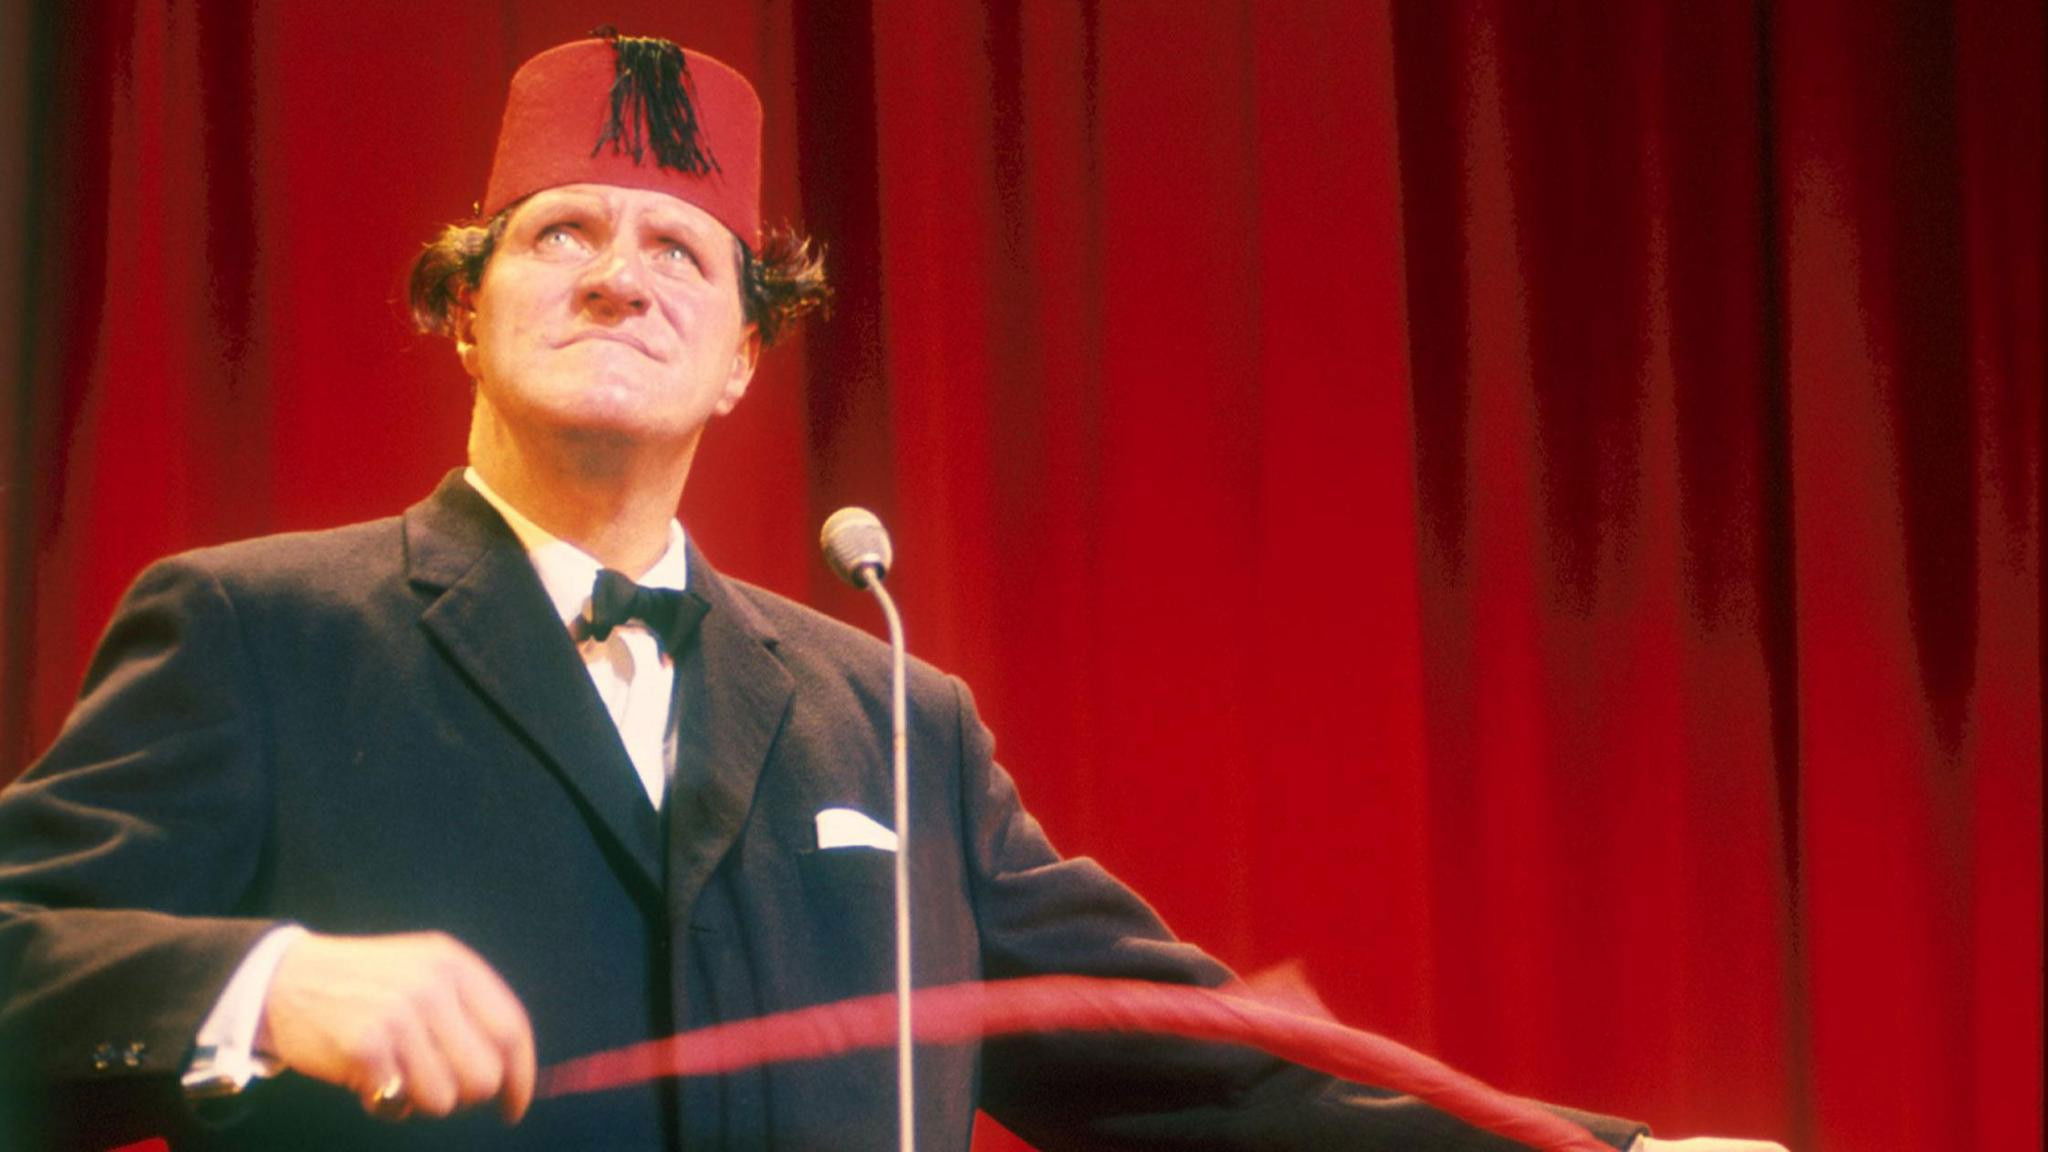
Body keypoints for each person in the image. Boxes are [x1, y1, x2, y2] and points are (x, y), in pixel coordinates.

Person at [0, 31, 1787, 1152]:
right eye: (561, 235)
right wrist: (260, 977)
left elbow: (1192, 1063)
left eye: (681, 251)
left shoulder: (893, 712)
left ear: (741, 361)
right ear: (463, 310)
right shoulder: (255, 630)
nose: (621, 277)